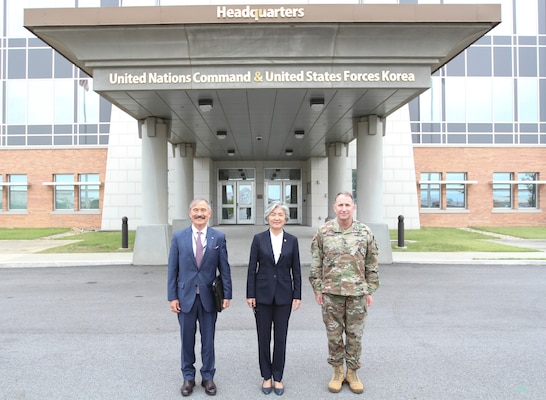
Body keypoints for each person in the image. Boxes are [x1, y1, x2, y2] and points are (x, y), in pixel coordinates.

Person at [309, 192, 379, 394]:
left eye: (347, 204)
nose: (344, 208)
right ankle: (338, 371)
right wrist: (318, 288)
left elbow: (372, 262)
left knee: (355, 335)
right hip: (331, 293)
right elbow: (316, 262)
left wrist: (370, 289)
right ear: (334, 207)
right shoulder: (324, 232)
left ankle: (353, 372)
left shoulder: (364, 232)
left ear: (353, 207)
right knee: (334, 335)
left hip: (357, 293)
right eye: (340, 205)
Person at [168, 198, 233, 397]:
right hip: (185, 297)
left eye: (203, 210)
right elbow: (173, 269)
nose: (199, 214)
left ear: (209, 213)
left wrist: (227, 294)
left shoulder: (218, 237)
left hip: (209, 298)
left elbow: (225, 268)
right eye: (196, 210)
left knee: (208, 340)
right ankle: (188, 377)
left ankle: (207, 376)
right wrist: (172, 297)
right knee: (187, 340)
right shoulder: (179, 237)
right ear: (190, 213)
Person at [246, 201, 302, 396]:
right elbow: (252, 268)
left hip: (284, 296)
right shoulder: (258, 239)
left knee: (280, 338)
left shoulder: (292, 240)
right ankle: (266, 376)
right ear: (268, 217)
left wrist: (297, 294)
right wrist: (250, 293)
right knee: (263, 338)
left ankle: (278, 376)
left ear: (286, 218)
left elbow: (296, 269)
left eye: (280, 214)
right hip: (261, 295)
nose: (276, 217)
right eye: (273, 214)